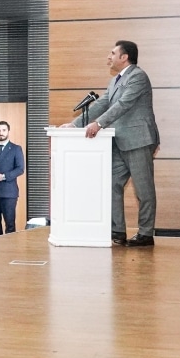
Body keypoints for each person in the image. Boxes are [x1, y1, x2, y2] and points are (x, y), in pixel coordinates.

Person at [61, 40, 159, 247]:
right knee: (111, 184)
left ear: (124, 57)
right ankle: (117, 230)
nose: (109, 56)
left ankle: (146, 234)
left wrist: (98, 124)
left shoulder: (138, 77)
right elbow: (103, 104)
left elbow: (123, 105)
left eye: (113, 53)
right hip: (120, 142)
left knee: (144, 190)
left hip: (138, 140)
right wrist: (75, 125)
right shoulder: (115, 81)